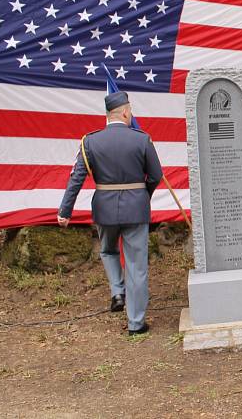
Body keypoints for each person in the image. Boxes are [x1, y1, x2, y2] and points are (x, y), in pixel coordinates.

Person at [57, 91, 163, 335]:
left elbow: (76, 178)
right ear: (125, 112)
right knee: (136, 266)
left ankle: (117, 290)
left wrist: (65, 210)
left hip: (104, 207)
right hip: (136, 208)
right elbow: (156, 175)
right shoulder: (142, 139)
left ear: (108, 115)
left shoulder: (90, 142)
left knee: (107, 250)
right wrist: (142, 195)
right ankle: (136, 323)